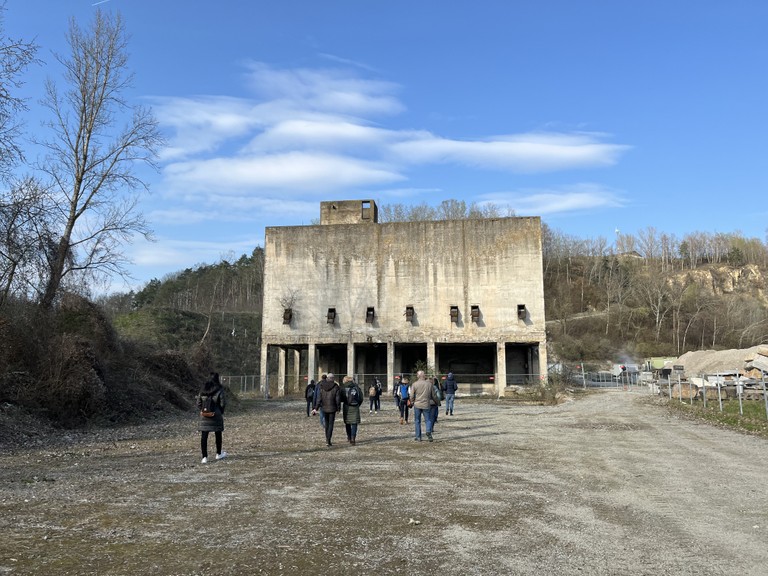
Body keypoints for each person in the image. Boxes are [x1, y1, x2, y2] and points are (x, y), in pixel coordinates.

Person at [196, 372, 227, 463]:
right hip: (216, 415)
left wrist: (203, 410)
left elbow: (198, 402)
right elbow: (223, 403)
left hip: (204, 415)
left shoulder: (203, 389)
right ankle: (218, 453)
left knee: (204, 436)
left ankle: (204, 457)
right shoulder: (219, 389)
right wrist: (220, 411)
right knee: (218, 434)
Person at [313, 372, 341, 446]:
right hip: (332, 408)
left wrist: (316, 408)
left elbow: (319, 398)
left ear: (327, 378)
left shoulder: (322, 386)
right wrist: (338, 408)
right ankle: (329, 440)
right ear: (333, 379)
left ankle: (327, 439)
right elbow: (338, 399)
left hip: (324, 407)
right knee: (331, 424)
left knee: (326, 423)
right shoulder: (336, 387)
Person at [411, 370, 438, 442]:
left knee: (417, 421)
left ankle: (418, 437)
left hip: (417, 404)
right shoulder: (429, 384)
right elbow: (434, 395)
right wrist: (437, 402)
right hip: (426, 404)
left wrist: (412, 401)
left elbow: (411, 395)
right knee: (428, 420)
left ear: (418, 376)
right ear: (424, 376)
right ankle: (428, 431)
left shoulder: (414, 384)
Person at [342, 376, 364, 445]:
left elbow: (341, 397)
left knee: (347, 422)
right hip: (355, 406)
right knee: (354, 423)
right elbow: (361, 398)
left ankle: (348, 436)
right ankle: (353, 438)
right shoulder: (356, 387)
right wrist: (358, 404)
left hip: (347, 406)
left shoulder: (343, 387)